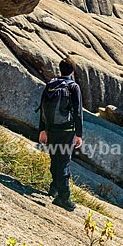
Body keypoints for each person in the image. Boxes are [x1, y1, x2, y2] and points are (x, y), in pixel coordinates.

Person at [38, 57, 83, 212]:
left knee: (55, 158)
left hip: (51, 128)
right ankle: (64, 198)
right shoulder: (73, 87)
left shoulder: (51, 84)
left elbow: (42, 109)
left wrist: (42, 130)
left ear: (60, 69)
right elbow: (77, 112)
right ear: (72, 71)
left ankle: (54, 188)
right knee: (63, 161)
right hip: (66, 130)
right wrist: (79, 134)